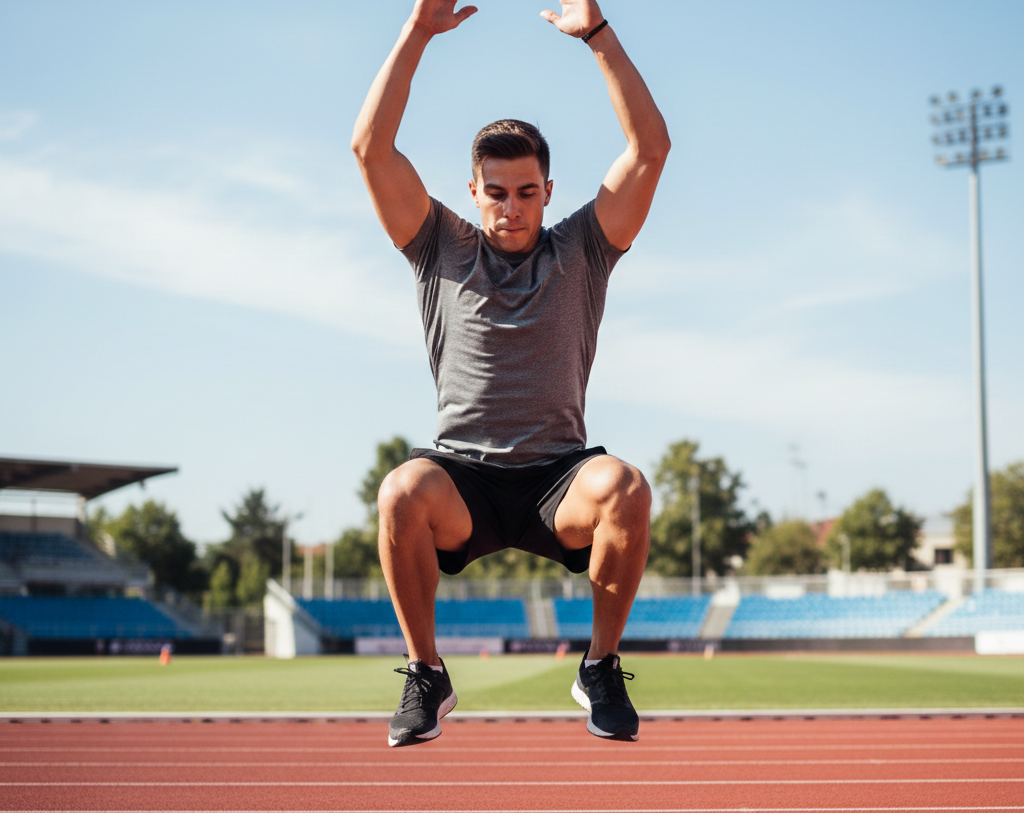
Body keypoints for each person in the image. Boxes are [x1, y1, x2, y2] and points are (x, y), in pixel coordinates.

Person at [351, 0, 670, 747]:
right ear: (474, 192)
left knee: (626, 487)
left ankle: (600, 667)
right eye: (496, 192)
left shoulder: (583, 248)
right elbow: (370, 148)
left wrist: (598, 36)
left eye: (527, 192)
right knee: (399, 491)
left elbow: (650, 149)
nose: (512, 208)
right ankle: (427, 673)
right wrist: (416, 31)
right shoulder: (439, 244)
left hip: (559, 478)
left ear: (548, 192)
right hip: (463, 477)